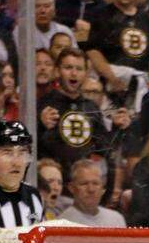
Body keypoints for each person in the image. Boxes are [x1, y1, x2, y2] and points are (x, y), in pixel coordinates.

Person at [38, 48, 116, 179]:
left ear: (86, 73)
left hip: (82, 184)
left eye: (79, 69)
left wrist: (117, 128)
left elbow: (105, 150)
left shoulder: (91, 107)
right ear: (57, 71)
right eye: (68, 67)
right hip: (51, 183)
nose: (74, 73)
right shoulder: (43, 105)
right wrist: (40, 124)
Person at [59, 159, 127, 227]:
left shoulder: (116, 219)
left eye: (95, 183)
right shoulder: (61, 225)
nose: (91, 189)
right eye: (84, 184)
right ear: (71, 188)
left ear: (103, 188)